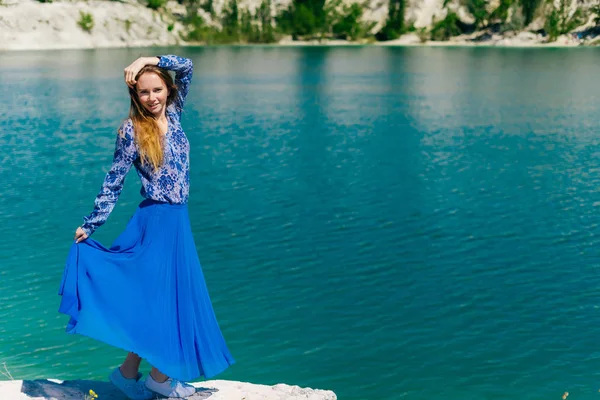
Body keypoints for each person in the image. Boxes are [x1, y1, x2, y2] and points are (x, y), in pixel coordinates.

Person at [58, 55, 235, 399]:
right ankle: (159, 380)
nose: (152, 97)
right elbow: (114, 180)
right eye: (143, 92)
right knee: (163, 300)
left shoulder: (174, 113)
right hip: (154, 222)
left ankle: (129, 375)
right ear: (135, 96)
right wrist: (91, 224)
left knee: (161, 299)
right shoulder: (131, 130)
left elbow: (187, 66)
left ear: (168, 90)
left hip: (177, 222)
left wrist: (148, 59)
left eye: (157, 89)